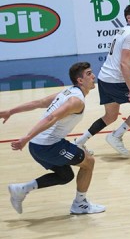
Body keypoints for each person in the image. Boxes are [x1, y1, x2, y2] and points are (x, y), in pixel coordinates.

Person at [2, 62, 105, 215]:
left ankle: (21, 189)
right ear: (80, 80)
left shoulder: (67, 92)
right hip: (48, 147)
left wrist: (11, 111)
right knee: (89, 162)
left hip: (36, 146)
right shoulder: (76, 101)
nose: (93, 76)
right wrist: (26, 137)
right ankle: (80, 204)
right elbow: (51, 117)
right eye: (89, 74)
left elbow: (39, 103)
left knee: (65, 176)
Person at [75, 4, 130, 157]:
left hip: (105, 78)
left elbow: (125, 61)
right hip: (115, 81)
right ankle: (116, 136)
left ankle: (79, 142)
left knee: (110, 116)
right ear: (128, 18)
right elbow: (124, 64)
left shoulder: (124, 31)